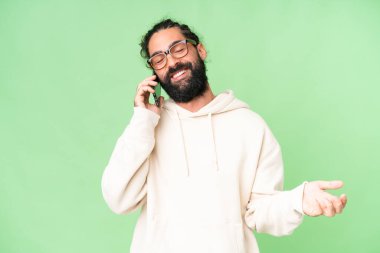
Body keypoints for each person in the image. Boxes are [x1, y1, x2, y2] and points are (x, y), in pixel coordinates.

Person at [101, 18, 348, 253]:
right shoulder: (147, 129)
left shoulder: (250, 127)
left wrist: (298, 201)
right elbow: (118, 199)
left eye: (178, 48)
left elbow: (260, 211)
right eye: (159, 59)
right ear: (154, 73)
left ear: (201, 50)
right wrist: (142, 120)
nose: (172, 62)